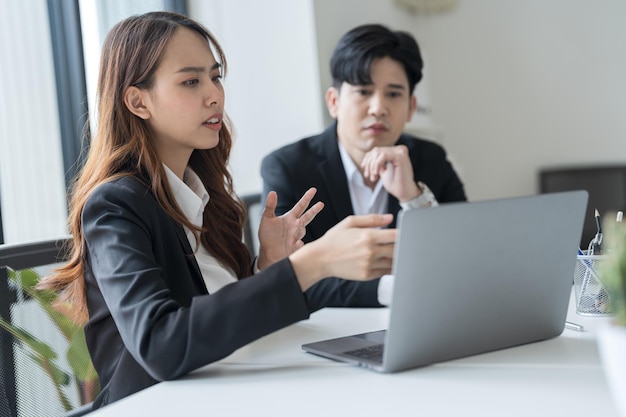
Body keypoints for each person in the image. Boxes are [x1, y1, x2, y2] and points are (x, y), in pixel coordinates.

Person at [37, 12, 397, 410]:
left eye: (216, 76)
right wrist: (311, 264)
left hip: (235, 392)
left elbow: (220, 319)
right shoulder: (115, 206)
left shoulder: (206, 195)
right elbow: (161, 344)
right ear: (138, 101)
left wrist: (269, 268)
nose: (214, 95)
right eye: (191, 81)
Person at [261, 24, 466, 310]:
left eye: (394, 94)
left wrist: (412, 196)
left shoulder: (430, 159)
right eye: (363, 91)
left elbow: (464, 258)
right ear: (334, 102)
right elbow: (288, 277)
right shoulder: (288, 167)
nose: (378, 107)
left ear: (410, 107)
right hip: (325, 334)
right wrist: (390, 290)